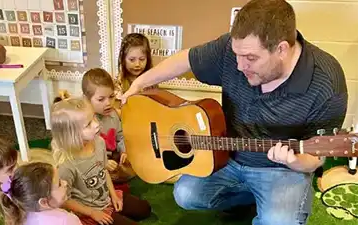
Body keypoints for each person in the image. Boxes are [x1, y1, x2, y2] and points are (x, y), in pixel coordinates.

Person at [120, 0, 348, 224]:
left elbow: (315, 157)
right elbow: (187, 59)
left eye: (250, 58)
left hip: (281, 170)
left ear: (281, 49)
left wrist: (295, 162)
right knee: (186, 194)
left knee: (279, 221)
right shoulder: (234, 49)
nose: (239, 66)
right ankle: (247, 198)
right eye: (236, 54)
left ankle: (264, 200)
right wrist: (139, 84)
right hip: (226, 157)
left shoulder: (327, 83)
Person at [50, 96, 151, 225]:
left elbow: (103, 170)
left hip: (106, 198)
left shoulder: (98, 142)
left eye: (94, 117)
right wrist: (92, 213)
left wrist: (113, 195)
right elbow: (65, 200)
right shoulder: (66, 165)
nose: (97, 124)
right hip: (90, 211)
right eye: (88, 124)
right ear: (72, 134)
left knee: (144, 209)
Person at [82, 68, 136, 190]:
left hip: (112, 157)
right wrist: (103, 162)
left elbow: (121, 136)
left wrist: (124, 151)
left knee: (134, 161)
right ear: (87, 99)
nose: (108, 103)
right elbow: (85, 150)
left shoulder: (113, 115)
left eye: (111, 96)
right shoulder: (85, 121)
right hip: (94, 160)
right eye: (101, 99)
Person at [0, 162, 82, 225]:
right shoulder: (67, 220)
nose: (65, 183)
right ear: (44, 202)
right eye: (59, 184)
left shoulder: (22, 214)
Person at [116, 33, 155, 98]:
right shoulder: (118, 84)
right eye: (132, 60)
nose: (137, 64)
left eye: (142, 59)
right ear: (123, 59)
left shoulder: (152, 81)